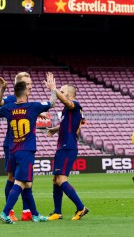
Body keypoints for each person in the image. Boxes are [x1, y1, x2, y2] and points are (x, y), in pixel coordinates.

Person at [0, 76, 54, 224]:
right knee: (20, 182)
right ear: (25, 93)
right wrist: (53, 90)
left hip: (13, 150)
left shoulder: (9, 108)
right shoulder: (33, 106)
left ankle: (35, 214)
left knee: (26, 184)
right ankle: (5, 212)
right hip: (26, 151)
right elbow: (52, 102)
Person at [46, 79, 89, 221]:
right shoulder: (67, 110)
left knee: (61, 179)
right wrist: (54, 129)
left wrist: (54, 89)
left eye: (63, 92)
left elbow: (67, 102)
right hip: (62, 146)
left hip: (68, 146)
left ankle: (81, 207)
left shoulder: (74, 104)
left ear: (70, 94)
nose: (60, 94)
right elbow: (67, 124)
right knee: (55, 179)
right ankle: (57, 212)